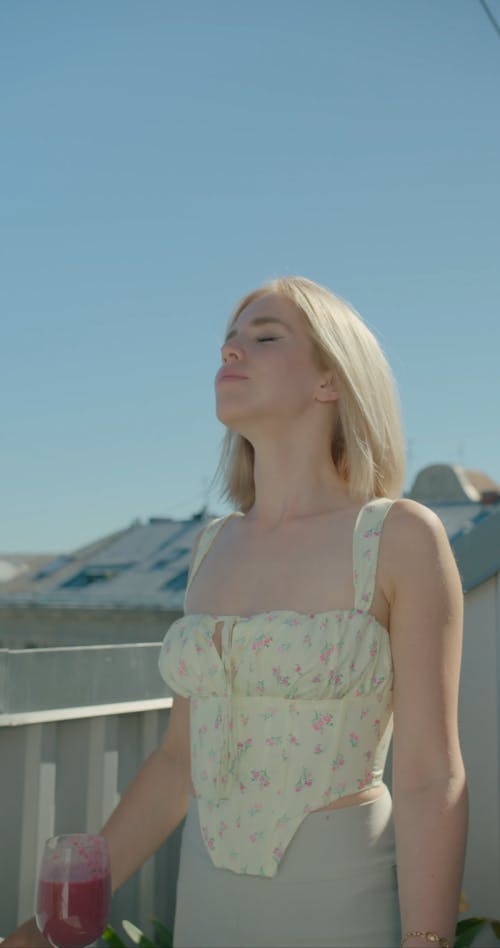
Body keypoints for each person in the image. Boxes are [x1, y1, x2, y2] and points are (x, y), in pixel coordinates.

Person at [4, 276, 467, 948]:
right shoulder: (211, 546)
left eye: (264, 336)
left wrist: (428, 942)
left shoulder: (397, 536)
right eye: (228, 339)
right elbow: (176, 763)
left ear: (330, 381)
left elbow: (431, 774)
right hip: (207, 908)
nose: (230, 351)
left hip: (340, 907)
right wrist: (52, 929)